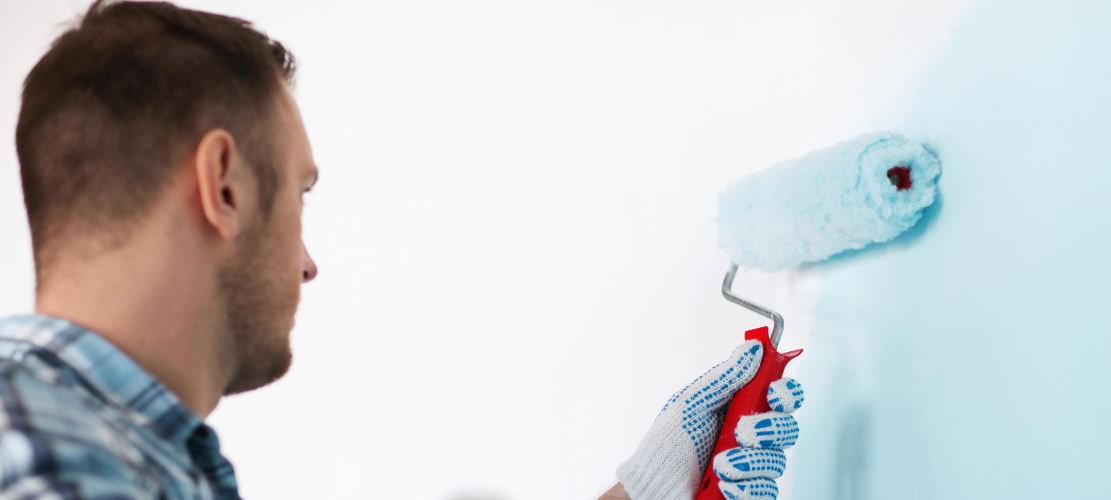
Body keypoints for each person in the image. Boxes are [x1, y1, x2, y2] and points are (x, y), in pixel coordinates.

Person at [1, 2, 800, 498]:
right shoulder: (38, 446)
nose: (307, 263)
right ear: (226, 187)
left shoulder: (124, 451)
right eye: (301, 195)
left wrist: (645, 493)